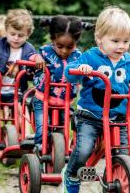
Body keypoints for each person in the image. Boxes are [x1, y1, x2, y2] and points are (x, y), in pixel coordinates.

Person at [62, 6, 130, 193]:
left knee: (124, 154)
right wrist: (80, 70)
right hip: (90, 115)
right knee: (84, 150)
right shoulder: (90, 57)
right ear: (99, 39)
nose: (121, 46)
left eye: (126, 41)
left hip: (119, 117)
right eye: (115, 41)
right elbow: (69, 73)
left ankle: (115, 180)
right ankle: (71, 175)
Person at [0, 9, 45, 147]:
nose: (16, 38)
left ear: (28, 35)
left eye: (20, 35)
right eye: (12, 34)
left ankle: (26, 136)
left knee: (21, 107)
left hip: (16, 91)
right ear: (6, 31)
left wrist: (38, 58)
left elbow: (34, 57)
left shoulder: (28, 48)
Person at [31, 15, 93, 152]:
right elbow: (32, 56)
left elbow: (86, 68)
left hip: (65, 101)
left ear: (76, 42)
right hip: (43, 99)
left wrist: (85, 69)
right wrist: (37, 58)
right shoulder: (45, 52)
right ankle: (39, 148)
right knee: (43, 126)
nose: (64, 51)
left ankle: (60, 151)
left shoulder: (78, 56)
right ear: (53, 39)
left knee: (63, 129)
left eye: (69, 47)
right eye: (60, 46)